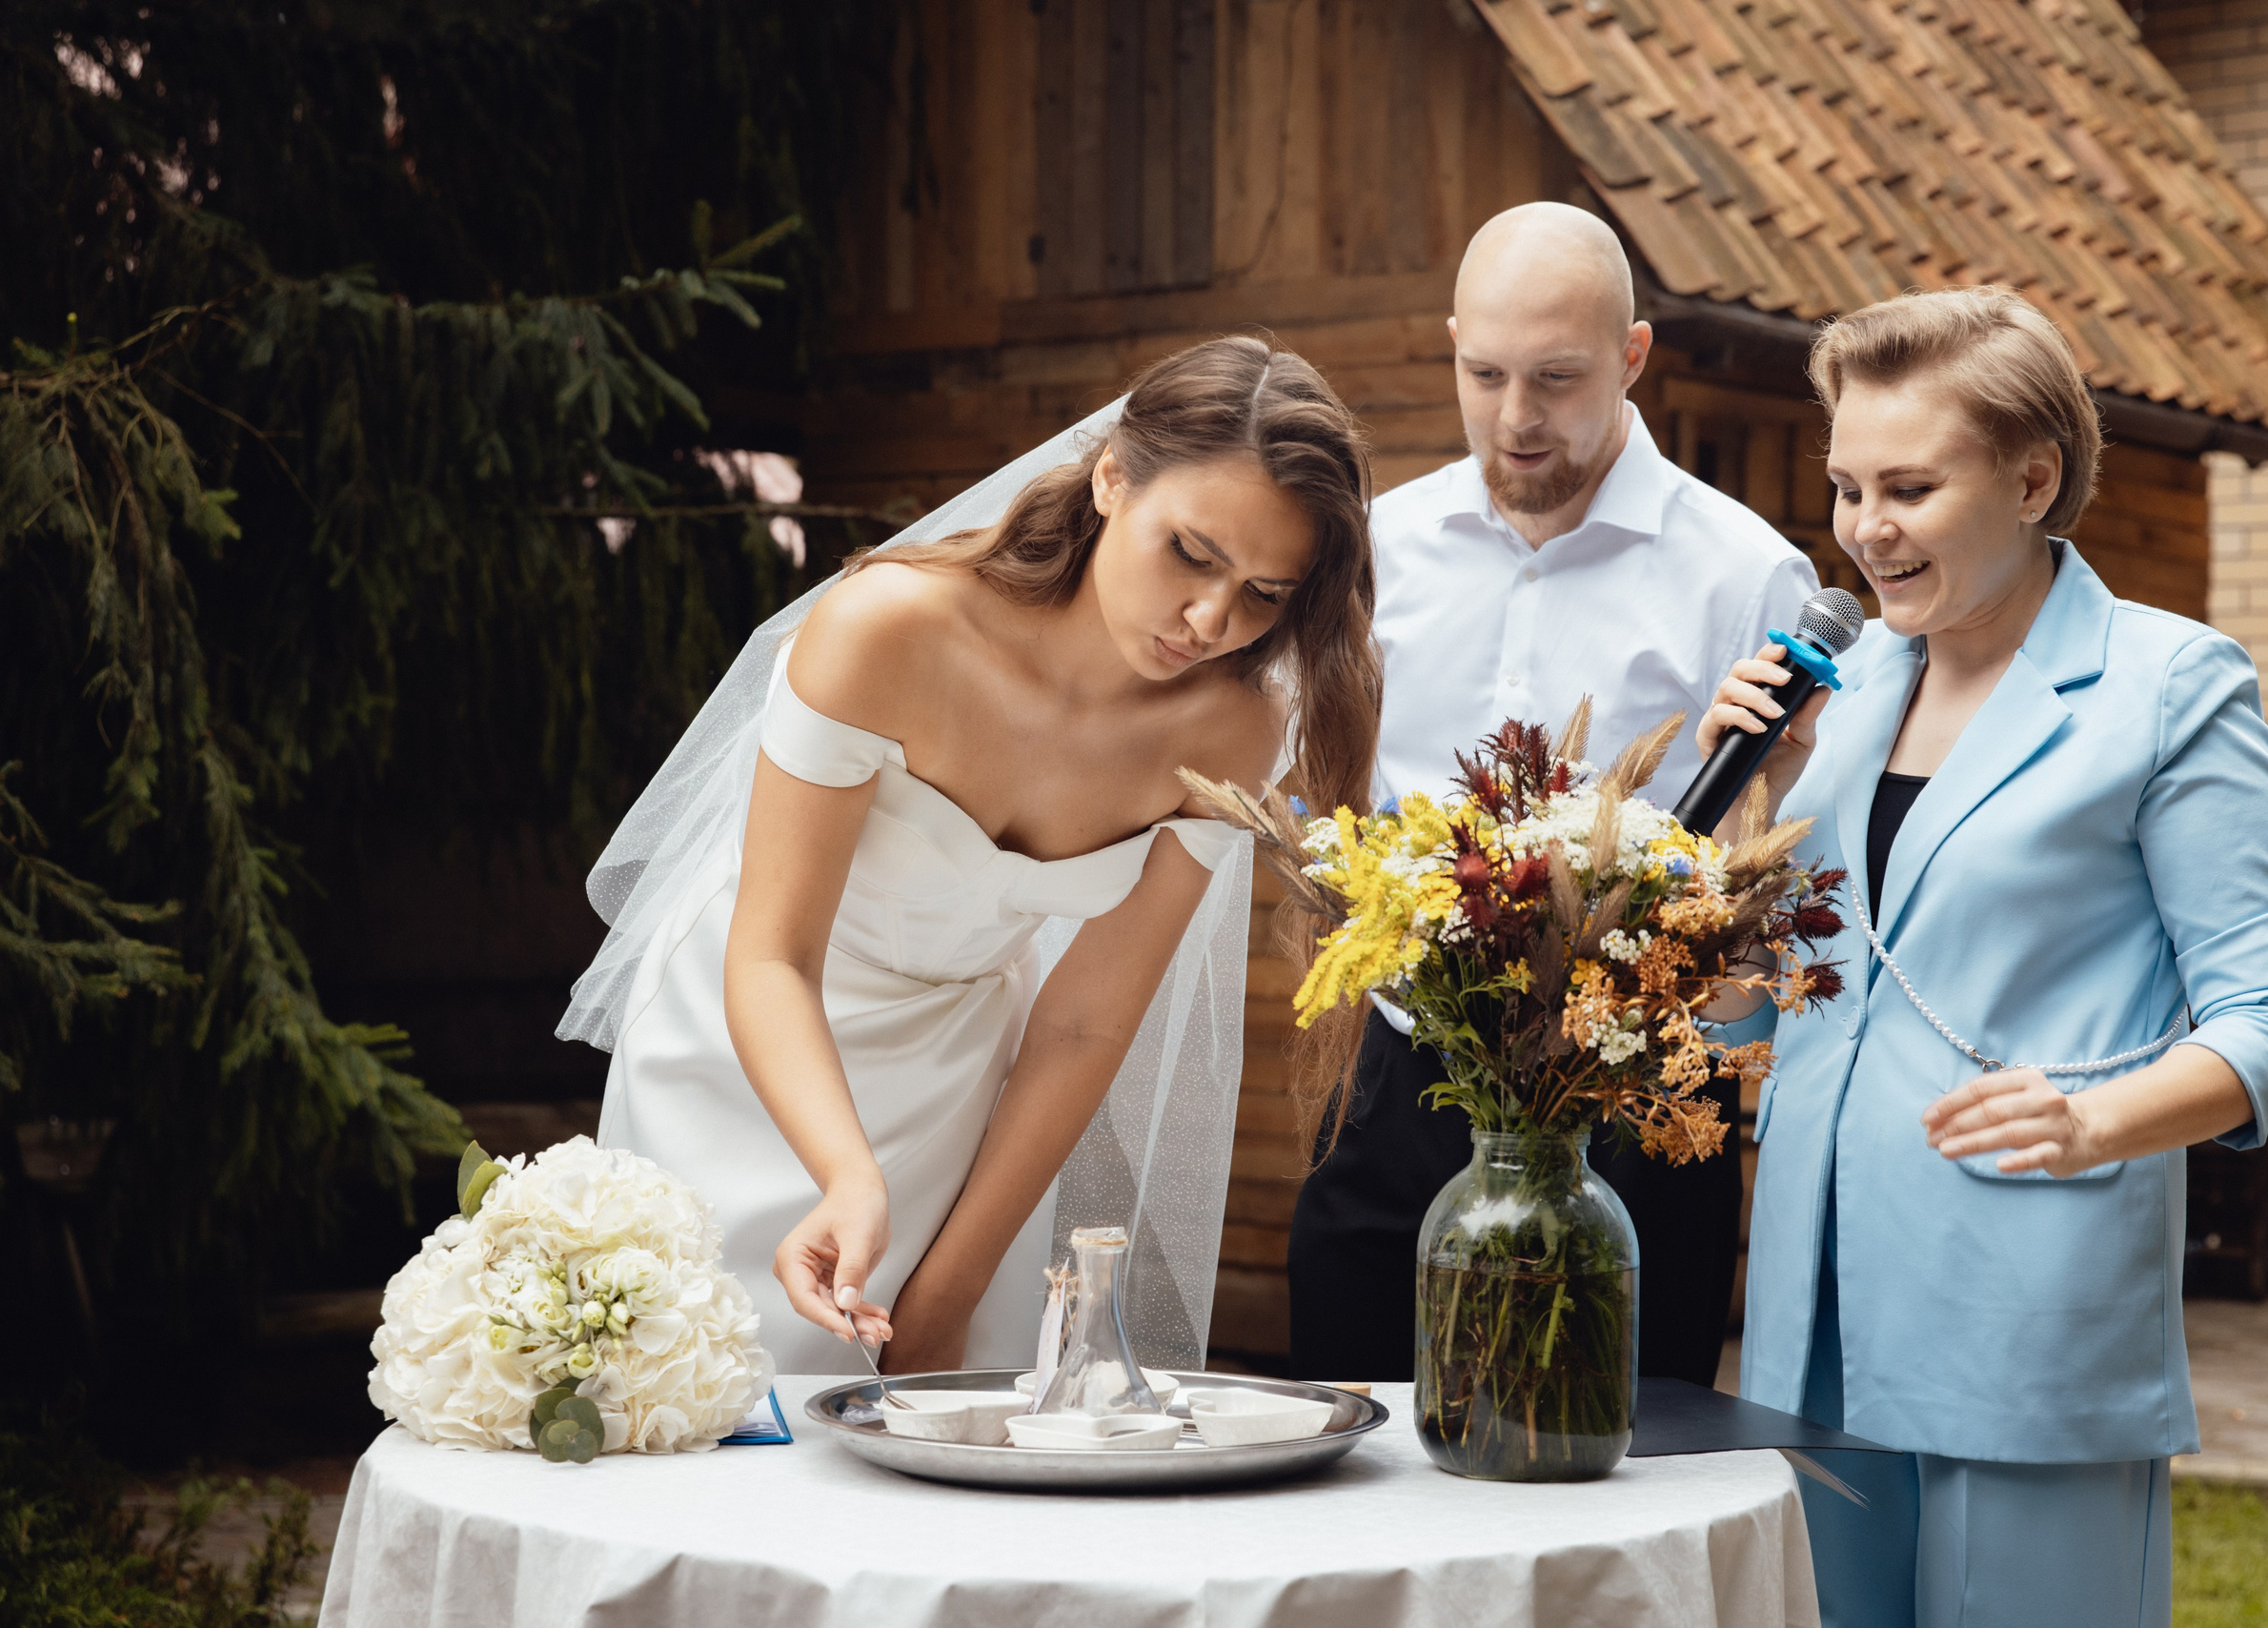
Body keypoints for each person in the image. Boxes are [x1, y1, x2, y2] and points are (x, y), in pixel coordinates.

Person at [564, 336, 1381, 1375]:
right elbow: (771, 956)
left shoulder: (1228, 734)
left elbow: (1086, 1021)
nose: (1213, 620)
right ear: (1111, 477)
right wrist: (849, 1179)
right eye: (1191, 553)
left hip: (962, 1084)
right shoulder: (885, 630)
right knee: (693, 1405)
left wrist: (948, 1288)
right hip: (746, 1052)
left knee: (932, 1425)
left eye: (1265, 593)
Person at [1697, 287, 2268, 1626]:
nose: (1866, 527)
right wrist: (1751, 798)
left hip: (2028, 1310)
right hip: (1808, 1325)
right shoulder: (1838, 696)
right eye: (1848, 486)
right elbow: (1743, 1016)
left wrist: (2096, 1120)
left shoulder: (2169, 685)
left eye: (1911, 486)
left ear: (2034, 477)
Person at [1287, 201, 1818, 1387]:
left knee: (1620, 1439)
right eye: (1485, 374)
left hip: (1631, 1090)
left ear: (1632, 358)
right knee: (1348, 1410)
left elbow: (1776, 850)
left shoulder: (1745, 572)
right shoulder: (1376, 546)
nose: (1516, 418)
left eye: (1558, 378)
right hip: (1401, 1067)